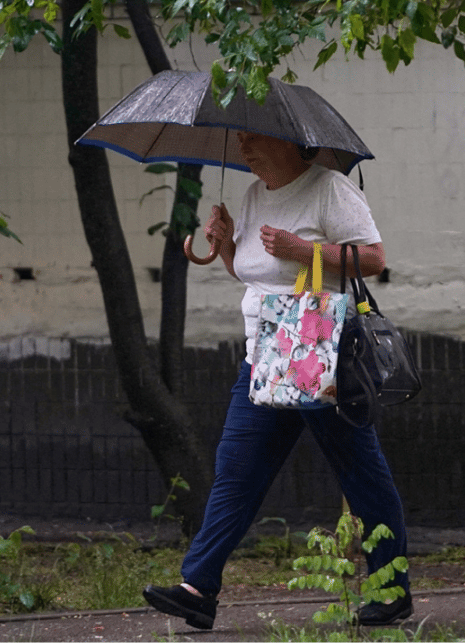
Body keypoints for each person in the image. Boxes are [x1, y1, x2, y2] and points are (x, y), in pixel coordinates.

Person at [142, 131, 411, 629]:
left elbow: (373, 259)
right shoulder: (252, 195)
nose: (243, 147)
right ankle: (198, 588)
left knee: (361, 473)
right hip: (264, 359)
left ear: (291, 142)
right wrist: (223, 246)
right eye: (240, 139)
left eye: (253, 138)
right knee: (235, 472)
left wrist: (304, 249)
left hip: (318, 356)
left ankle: (390, 590)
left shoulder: (328, 188)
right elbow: (252, 274)